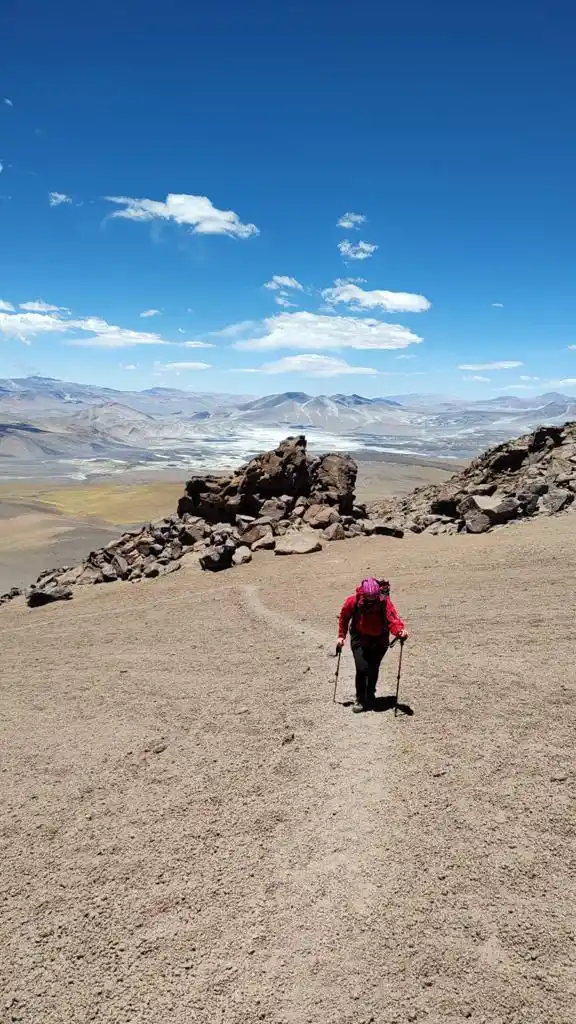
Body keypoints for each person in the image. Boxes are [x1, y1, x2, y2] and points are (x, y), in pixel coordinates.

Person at [337, 578, 408, 713]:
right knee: (362, 668)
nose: (370, 602)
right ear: (363, 593)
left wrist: (399, 630)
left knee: (373, 667)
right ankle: (360, 699)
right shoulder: (353, 601)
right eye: (368, 599)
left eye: (373, 599)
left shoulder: (384, 602)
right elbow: (344, 617)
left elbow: (392, 618)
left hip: (380, 640)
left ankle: (370, 694)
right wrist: (341, 636)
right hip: (359, 639)